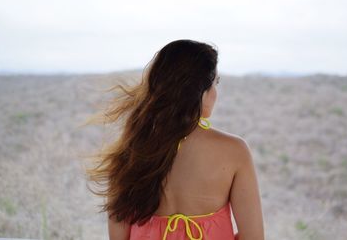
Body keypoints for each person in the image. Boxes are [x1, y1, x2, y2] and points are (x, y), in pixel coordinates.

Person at [84, 39, 265, 240]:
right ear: (200, 91)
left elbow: (118, 236)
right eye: (215, 83)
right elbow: (254, 237)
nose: (215, 92)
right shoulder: (234, 151)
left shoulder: (132, 148)